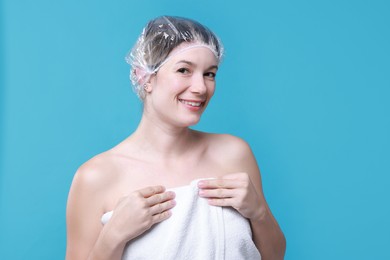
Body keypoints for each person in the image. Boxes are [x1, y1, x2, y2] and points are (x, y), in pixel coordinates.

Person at [66, 15, 286, 260]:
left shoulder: (234, 153)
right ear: (145, 77)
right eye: (184, 70)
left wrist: (259, 213)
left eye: (209, 74)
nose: (201, 88)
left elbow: (274, 256)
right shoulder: (96, 176)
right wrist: (113, 236)